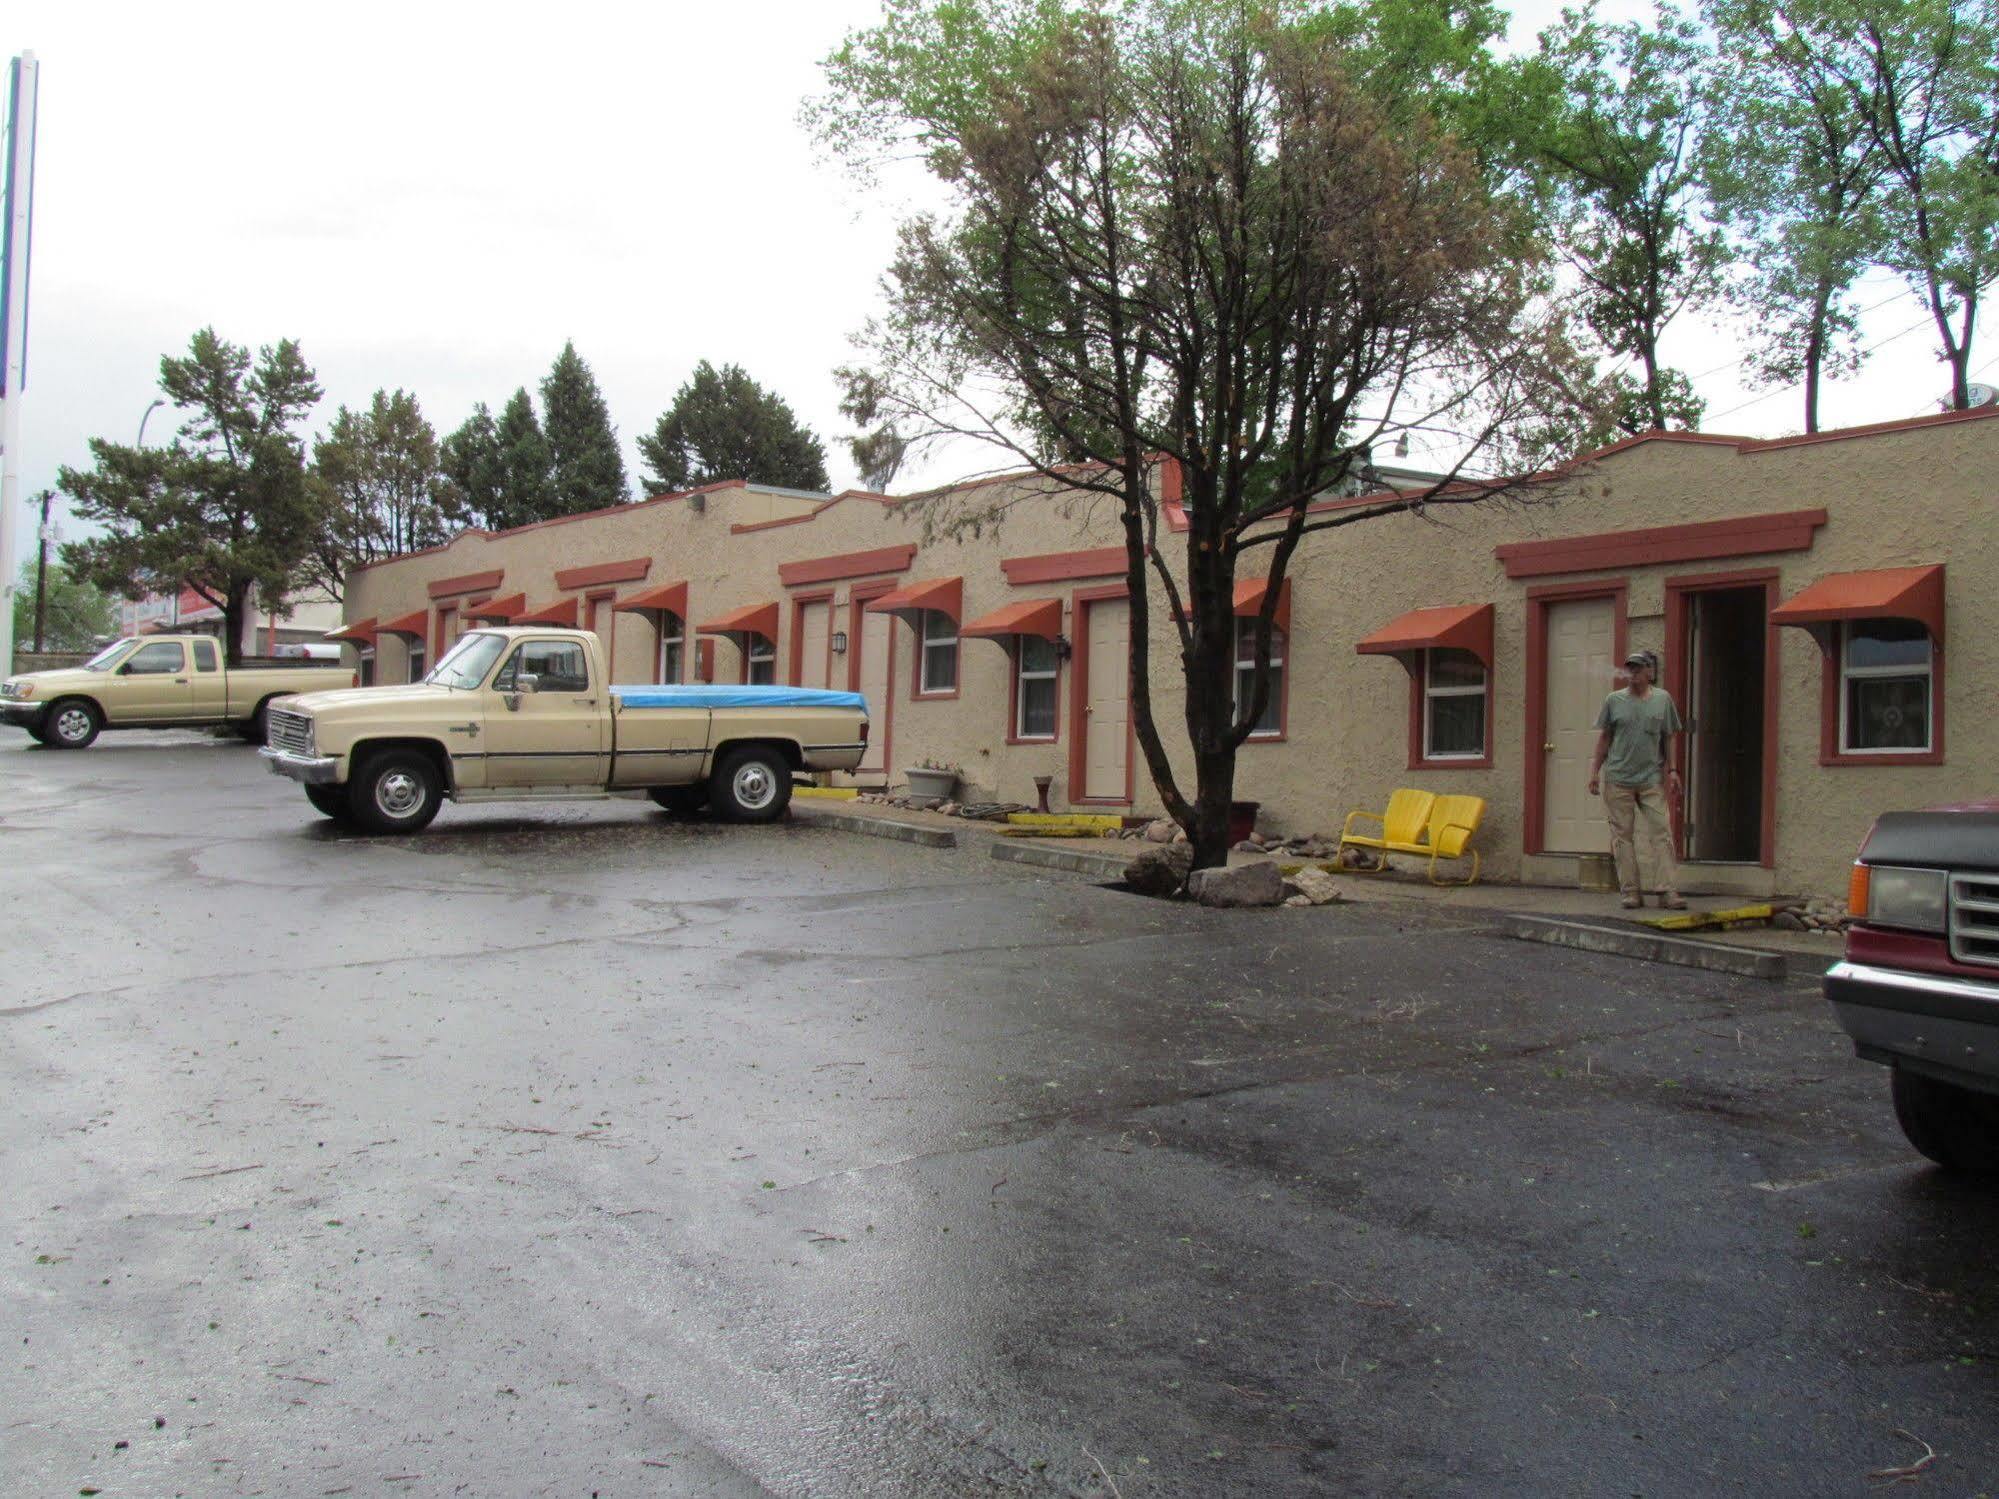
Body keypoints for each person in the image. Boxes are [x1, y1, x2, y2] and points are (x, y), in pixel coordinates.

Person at [1587, 649, 1686, 910]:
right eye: (1630, 668)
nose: (1633, 673)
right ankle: (1630, 892)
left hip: (1651, 780)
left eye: (1639, 668)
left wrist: (1673, 771)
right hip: (1618, 779)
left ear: (1650, 672)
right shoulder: (1614, 700)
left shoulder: (1663, 700)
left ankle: (1667, 891)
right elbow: (1605, 738)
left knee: (1662, 833)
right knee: (1623, 837)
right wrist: (1594, 772)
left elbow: (1669, 737)